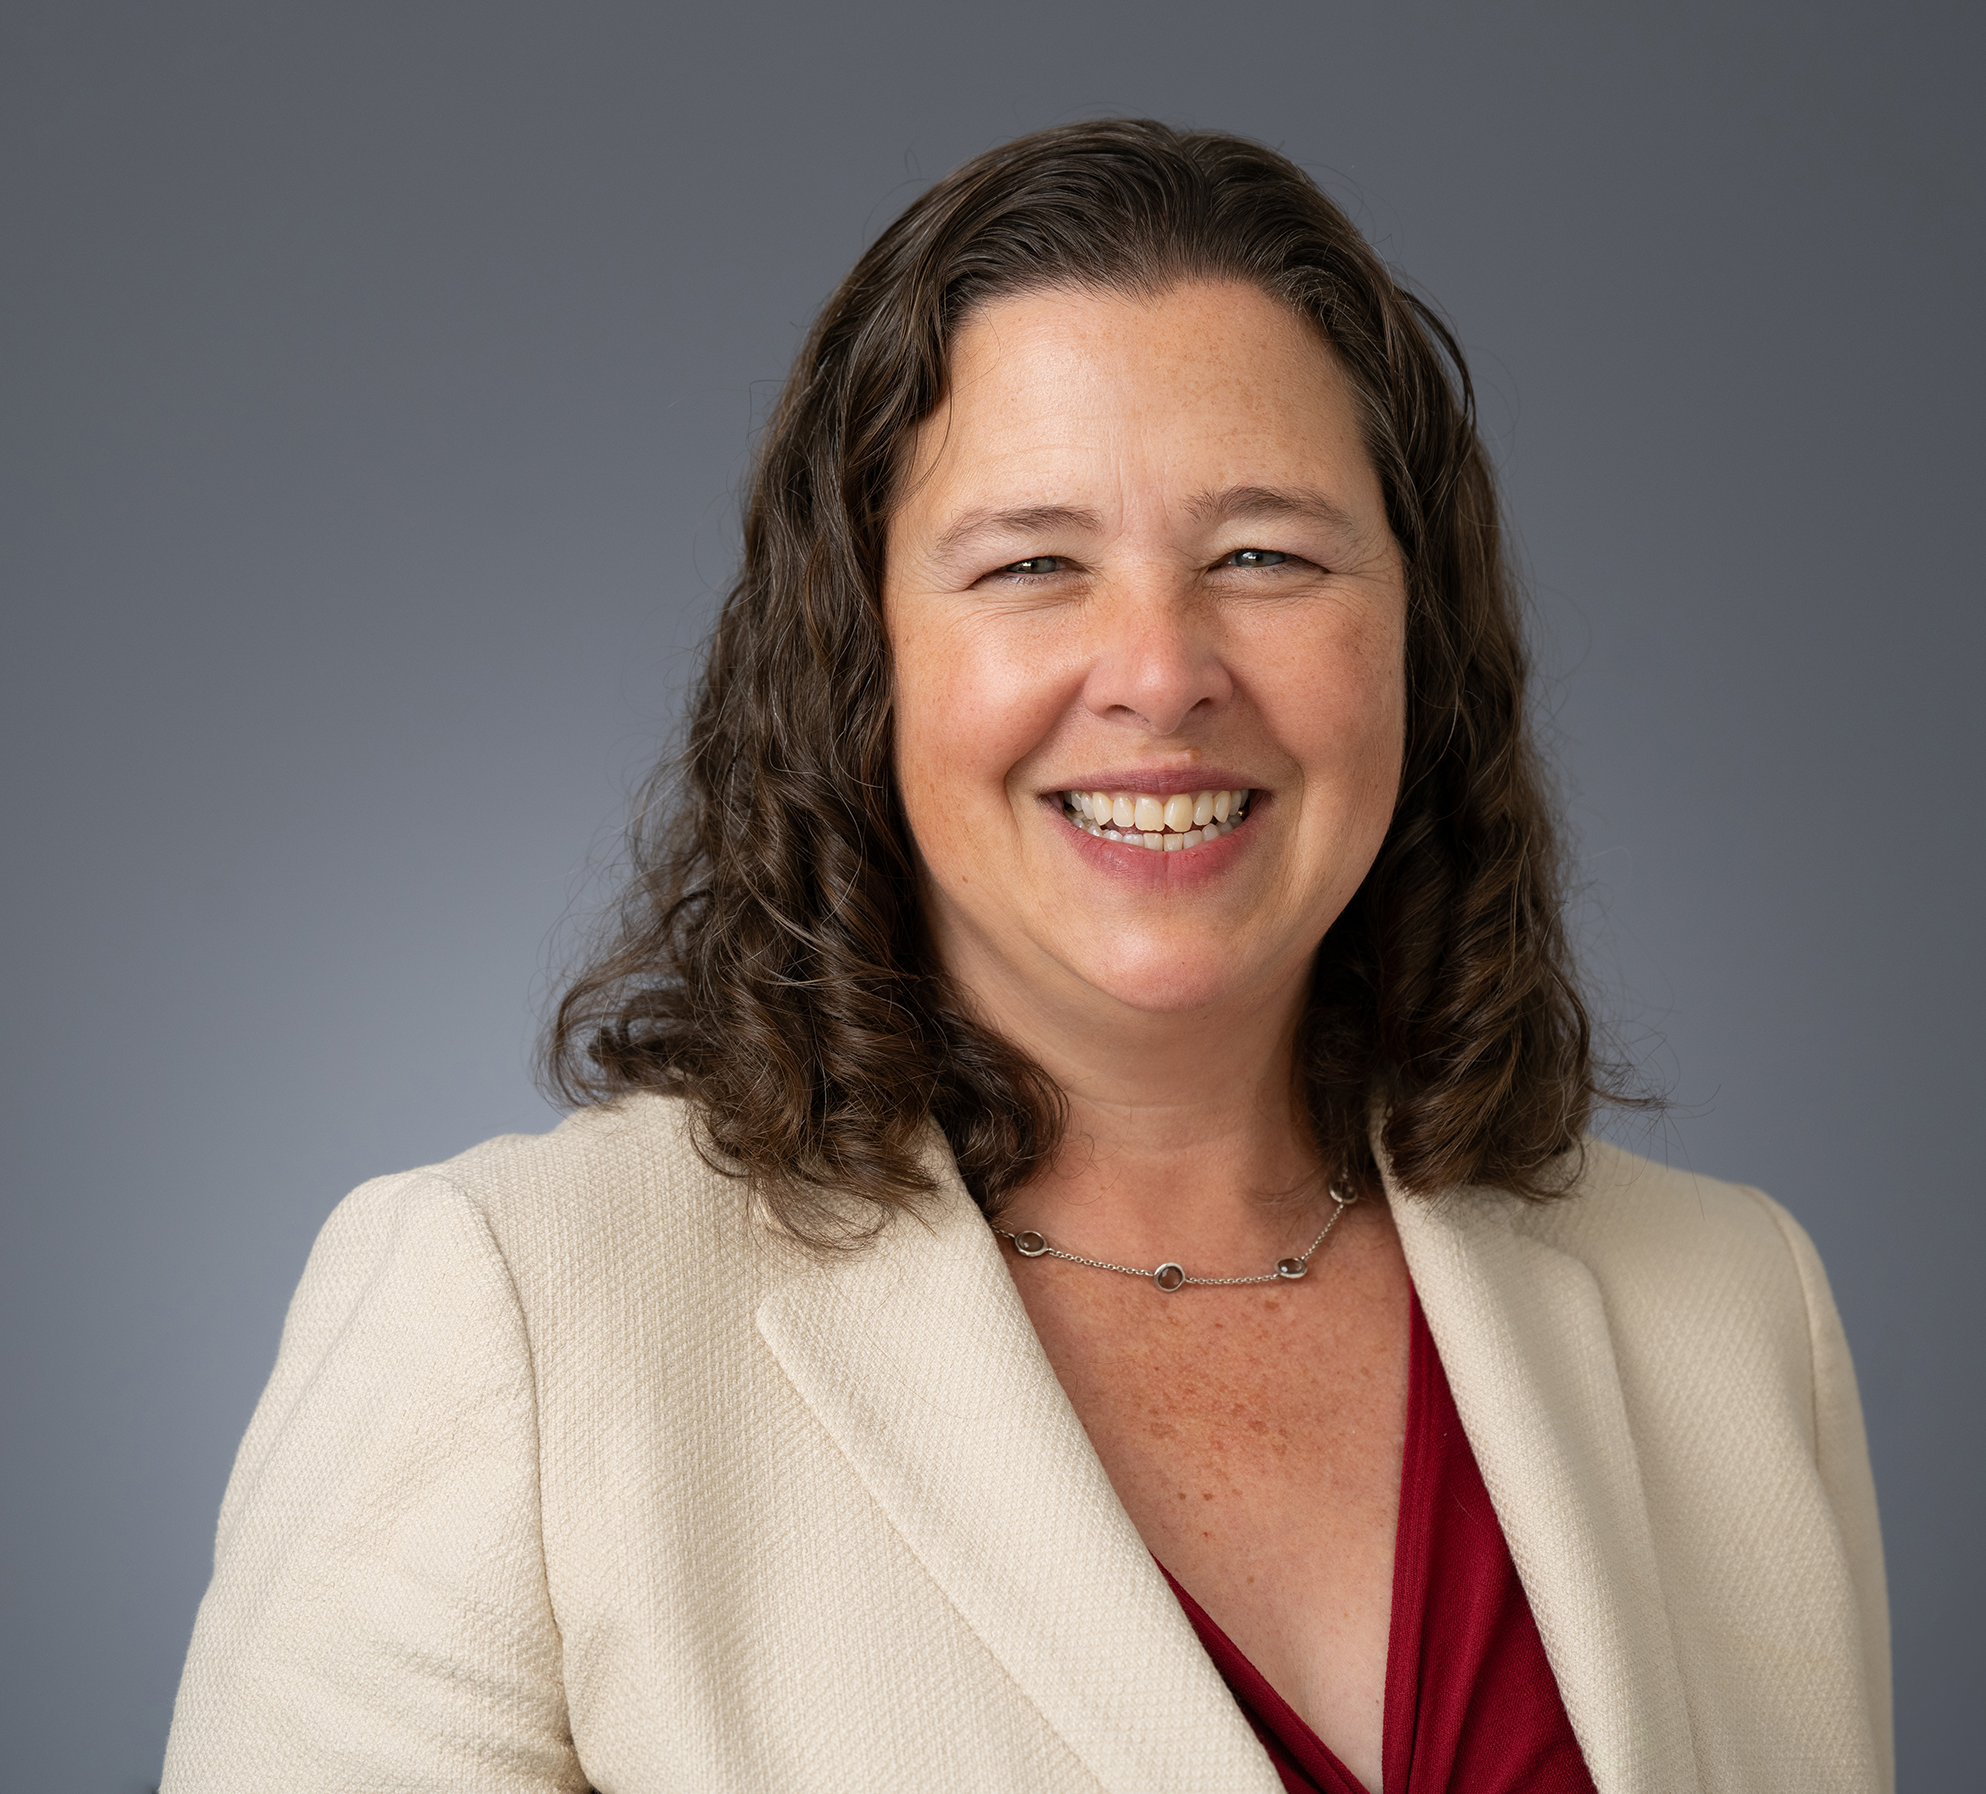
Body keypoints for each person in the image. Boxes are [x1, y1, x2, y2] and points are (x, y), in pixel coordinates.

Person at [162, 120, 1890, 1794]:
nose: (1159, 669)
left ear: (1416, 639)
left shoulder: (1734, 1313)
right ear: (859, 661)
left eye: (1264, 553)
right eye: (1034, 562)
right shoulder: (522, 1319)